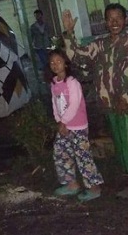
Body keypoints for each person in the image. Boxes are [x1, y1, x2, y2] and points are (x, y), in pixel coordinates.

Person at [62, 4, 128, 201]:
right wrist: (69, 33)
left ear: (126, 19)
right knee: (122, 147)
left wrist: (127, 99)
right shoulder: (99, 45)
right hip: (110, 106)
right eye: (110, 19)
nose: (114, 22)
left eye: (118, 18)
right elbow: (76, 56)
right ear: (105, 22)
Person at [47, 49, 104, 202]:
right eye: (52, 62)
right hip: (64, 127)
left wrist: (64, 121)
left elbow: (74, 104)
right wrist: (59, 121)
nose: (55, 65)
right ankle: (71, 184)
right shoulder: (54, 83)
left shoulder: (72, 82)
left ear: (65, 63)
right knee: (61, 153)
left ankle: (94, 188)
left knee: (83, 156)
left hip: (77, 126)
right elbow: (55, 104)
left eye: (58, 61)